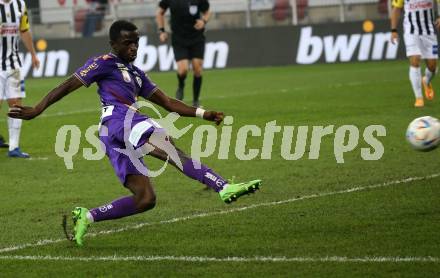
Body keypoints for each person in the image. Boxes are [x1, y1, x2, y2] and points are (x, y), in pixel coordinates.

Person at [8, 20, 261, 246]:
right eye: (127, 43)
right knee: (170, 148)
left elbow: (169, 103)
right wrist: (38, 109)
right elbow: (69, 85)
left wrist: (203, 114)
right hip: (119, 120)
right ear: (113, 43)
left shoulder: (137, 75)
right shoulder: (103, 63)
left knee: (145, 199)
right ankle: (223, 187)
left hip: (113, 134)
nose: (133, 48)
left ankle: (86, 215)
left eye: (136, 43)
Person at [0, 0, 40, 158]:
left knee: (16, 105)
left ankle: (14, 147)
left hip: (13, 65)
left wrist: (33, 54)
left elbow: (24, 30)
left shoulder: (19, 4)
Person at [156, 0, 211, 107]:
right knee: (183, 70)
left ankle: (196, 101)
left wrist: (204, 21)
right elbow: (160, 12)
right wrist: (162, 30)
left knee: (197, 68)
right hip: (179, 38)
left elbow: (208, 11)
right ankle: (181, 85)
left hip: (197, 37)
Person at [391, 0, 440, 107]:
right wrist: (393, 30)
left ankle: (426, 80)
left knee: (433, 66)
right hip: (411, 31)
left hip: (429, 31)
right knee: (415, 59)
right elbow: (396, 9)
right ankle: (419, 98)